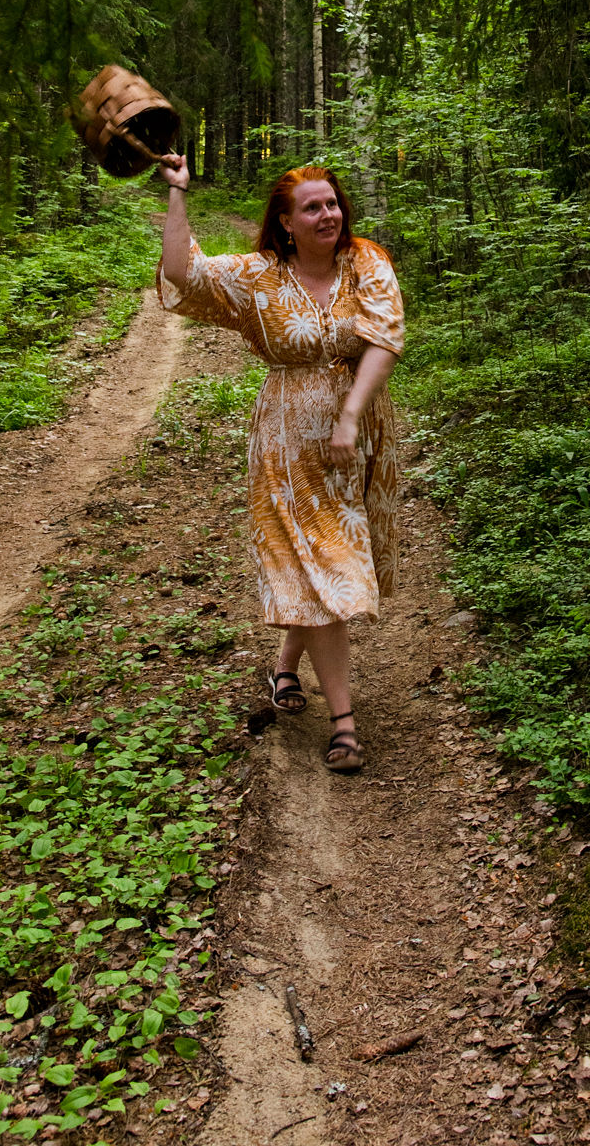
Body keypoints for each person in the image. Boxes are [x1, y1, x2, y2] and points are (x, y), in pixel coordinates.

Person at [157, 159, 404, 774]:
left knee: (317, 567)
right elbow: (184, 273)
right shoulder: (259, 277)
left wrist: (350, 417)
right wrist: (178, 193)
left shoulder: (366, 261)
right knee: (326, 567)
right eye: (313, 208)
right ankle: (343, 723)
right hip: (288, 444)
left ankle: (285, 669)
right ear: (287, 224)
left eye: (333, 204)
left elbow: (383, 339)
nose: (329, 215)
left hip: (360, 435)